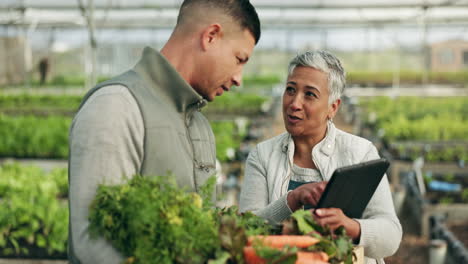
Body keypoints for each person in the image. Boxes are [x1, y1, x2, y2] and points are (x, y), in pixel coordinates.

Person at [68, 1, 260, 263]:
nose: (239, 78)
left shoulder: (199, 125)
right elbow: (93, 243)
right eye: (239, 59)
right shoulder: (116, 105)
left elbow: (203, 226)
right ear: (211, 36)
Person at [239, 51, 402, 263]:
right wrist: (292, 199)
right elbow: (245, 229)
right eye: (290, 90)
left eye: (310, 94)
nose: (294, 103)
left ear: (333, 108)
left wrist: (350, 227)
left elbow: (391, 236)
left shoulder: (360, 153)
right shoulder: (262, 156)